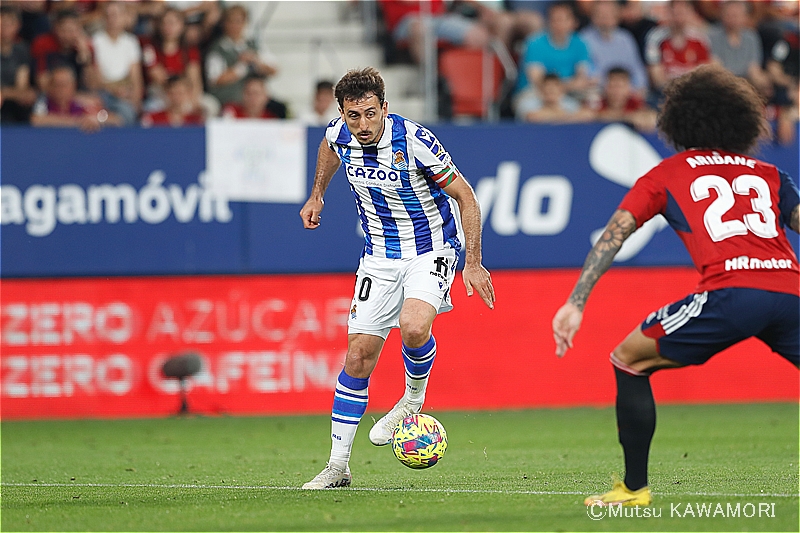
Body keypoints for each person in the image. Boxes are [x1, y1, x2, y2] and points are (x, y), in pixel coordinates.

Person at [552, 64, 799, 507]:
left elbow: (615, 234)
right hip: (791, 291)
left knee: (628, 360)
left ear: (679, 120)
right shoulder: (770, 174)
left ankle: (633, 489)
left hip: (732, 293)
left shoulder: (667, 173)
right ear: (741, 121)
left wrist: (576, 301)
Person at [299, 67, 495, 489]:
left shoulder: (415, 142)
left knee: (413, 325)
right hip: (378, 259)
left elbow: (465, 195)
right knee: (358, 357)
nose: (363, 125)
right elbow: (329, 147)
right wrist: (317, 193)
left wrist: (473, 261)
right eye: (354, 116)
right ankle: (337, 467)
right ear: (342, 113)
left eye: (371, 114)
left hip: (431, 249)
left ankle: (412, 398)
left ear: (385, 107)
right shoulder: (340, 132)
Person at [516, 1, 592, 118]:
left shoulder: (580, 43)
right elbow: (539, 82)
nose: (558, 24)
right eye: (554, 20)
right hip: (535, 94)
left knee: (588, 112)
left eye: (562, 19)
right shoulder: (535, 43)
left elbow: (582, 79)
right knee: (533, 115)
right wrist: (570, 84)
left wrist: (563, 88)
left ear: (573, 22)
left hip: (566, 96)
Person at [205, 4, 277, 107]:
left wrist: (255, 60)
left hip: (254, 102)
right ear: (224, 23)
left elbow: (274, 70)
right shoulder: (217, 48)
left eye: (238, 21)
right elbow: (215, 79)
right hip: (227, 101)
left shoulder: (253, 45)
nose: (235, 26)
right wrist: (241, 66)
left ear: (245, 23)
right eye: (231, 21)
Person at [379, 0, 489, 65]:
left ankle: (459, 81)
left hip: (437, 18)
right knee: (419, 28)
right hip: (405, 21)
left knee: (478, 35)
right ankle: (431, 79)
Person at [579, 0, 648, 95]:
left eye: (609, 14)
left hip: (628, 91)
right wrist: (615, 88)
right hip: (599, 92)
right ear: (592, 16)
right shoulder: (583, 39)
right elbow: (588, 73)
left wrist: (639, 87)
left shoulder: (626, 38)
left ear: (617, 16)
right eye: (600, 14)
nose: (605, 18)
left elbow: (637, 68)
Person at [91, 1, 143, 125]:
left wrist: (136, 101)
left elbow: (136, 77)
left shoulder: (131, 42)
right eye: (109, 15)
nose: (113, 19)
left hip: (125, 93)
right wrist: (113, 89)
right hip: (102, 93)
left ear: (124, 17)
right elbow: (95, 79)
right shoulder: (95, 41)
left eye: (116, 15)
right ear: (103, 18)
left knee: (129, 112)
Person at [645, 0, 711, 95]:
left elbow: (705, 72)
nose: (678, 19)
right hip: (665, 92)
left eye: (682, 13)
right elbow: (657, 78)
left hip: (694, 92)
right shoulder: (655, 38)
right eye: (674, 13)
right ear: (668, 13)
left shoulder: (700, 39)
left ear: (690, 13)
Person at [30, 65, 121, 132]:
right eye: (57, 85)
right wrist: (77, 122)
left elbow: (115, 119)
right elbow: (37, 120)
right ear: (50, 87)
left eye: (65, 85)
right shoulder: (44, 102)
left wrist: (96, 119)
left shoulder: (83, 102)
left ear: (73, 86)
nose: (61, 89)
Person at [708, 1, 770, 94]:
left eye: (736, 15)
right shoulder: (712, 37)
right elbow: (715, 66)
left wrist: (763, 82)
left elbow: (753, 68)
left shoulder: (751, 37)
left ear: (745, 17)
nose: (732, 19)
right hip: (722, 84)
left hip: (746, 84)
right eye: (728, 15)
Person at [1, 5, 37, 123]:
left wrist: (9, 93)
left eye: (9, 23)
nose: (4, 28)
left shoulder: (21, 50)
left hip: (12, 107)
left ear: (17, 26)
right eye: (1, 23)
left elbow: (22, 86)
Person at [594, 67, 656, 132]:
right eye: (612, 86)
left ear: (629, 88)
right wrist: (628, 118)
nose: (616, 91)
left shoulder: (636, 103)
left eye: (620, 86)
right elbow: (586, 114)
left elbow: (651, 116)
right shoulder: (597, 103)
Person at [521, 73, 594, 124]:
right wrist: (567, 118)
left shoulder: (570, 104)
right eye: (547, 88)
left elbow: (587, 114)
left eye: (554, 88)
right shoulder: (530, 104)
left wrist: (557, 118)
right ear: (541, 91)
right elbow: (533, 118)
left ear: (561, 90)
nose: (551, 90)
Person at [221, 75, 287, 119]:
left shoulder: (272, 119)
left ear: (266, 96)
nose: (252, 98)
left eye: (256, 94)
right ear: (242, 95)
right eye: (248, 93)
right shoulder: (231, 112)